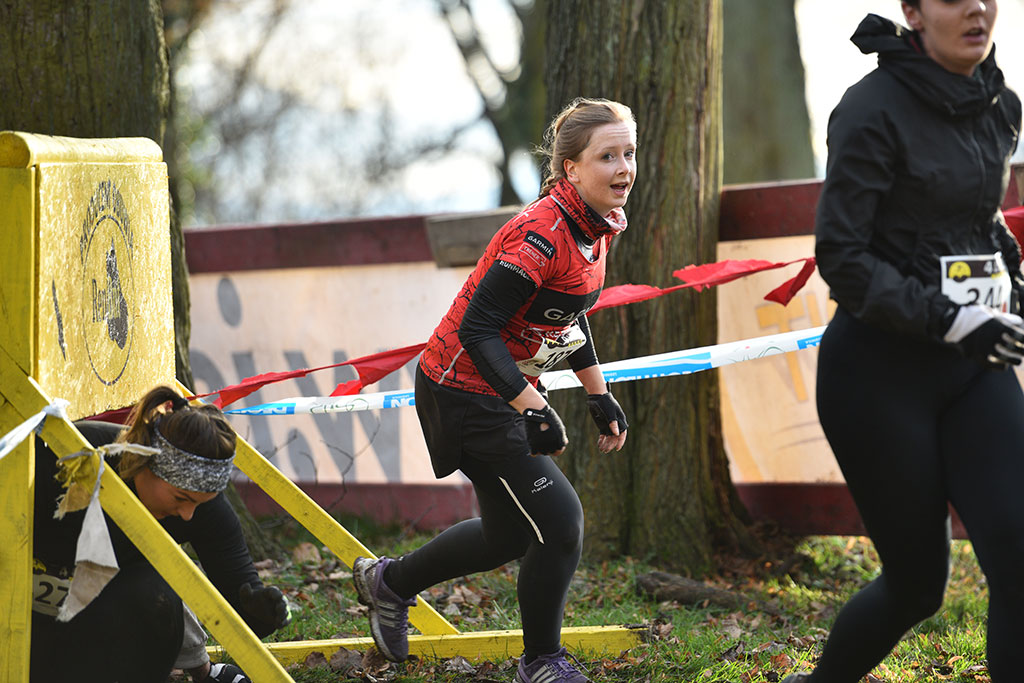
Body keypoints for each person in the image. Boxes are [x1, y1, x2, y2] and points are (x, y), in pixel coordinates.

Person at [353, 97, 634, 683]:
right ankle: (542, 663)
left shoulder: (597, 226)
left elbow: (564, 316)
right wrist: (530, 405)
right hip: (461, 389)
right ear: (570, 170)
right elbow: (479, 329)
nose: (624, 168)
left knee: (509, 533)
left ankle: (390, 582)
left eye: (629, 153)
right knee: (561, 524)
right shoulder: (540, 236)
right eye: (608, 156)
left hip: (501, 388)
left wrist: (595, 391)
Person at [785, 2, 1022, 682]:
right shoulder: (870, 109)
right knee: (918, 586)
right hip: (877, 377)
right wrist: (950, 317)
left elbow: (980, 226)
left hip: (973, 365)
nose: (978, 8)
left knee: (1021, 554)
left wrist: (1012, 289)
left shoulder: (998, 101)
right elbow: (844, 259)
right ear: (914, 13)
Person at [30, 386, 290, 683]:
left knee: (155, 594)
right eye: (181, 498)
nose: (188, 514)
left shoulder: (203, 507)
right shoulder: (66, 459)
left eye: (199, 503)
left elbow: (242, 606)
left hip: (99, 616)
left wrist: (261, 612)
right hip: (22, 601)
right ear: (145, 464)